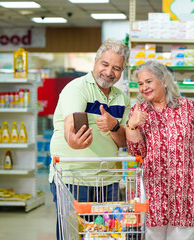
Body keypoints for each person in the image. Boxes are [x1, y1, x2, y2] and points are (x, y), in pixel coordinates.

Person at [48, 39, 131, 239]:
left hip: (107, 179)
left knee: (107, 235)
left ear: (123, 71)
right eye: (105, 64)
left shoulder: (122, 98)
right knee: (74, 235)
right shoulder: (77, 88)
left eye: (117, 68)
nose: (109, 72)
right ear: (95, 61)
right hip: (74, 178)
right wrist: (73, 140)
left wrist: (114, 126)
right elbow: (71, 124)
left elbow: (124, 142)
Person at [125, 60, 194, 240]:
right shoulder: (138, 111)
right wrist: (132, 126)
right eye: (140, 84)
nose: (144, 88)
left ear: (164, 80)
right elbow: (137, 154)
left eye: (148, 82)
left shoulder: (188, 108)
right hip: (153, 192)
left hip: (186, 191)